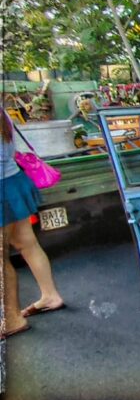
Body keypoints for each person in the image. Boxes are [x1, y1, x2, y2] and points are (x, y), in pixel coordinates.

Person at [1, 114, 65, 339]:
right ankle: (50, 296)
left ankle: (11, 320)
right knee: (26, 244)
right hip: (13, 181)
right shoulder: (3, 112)